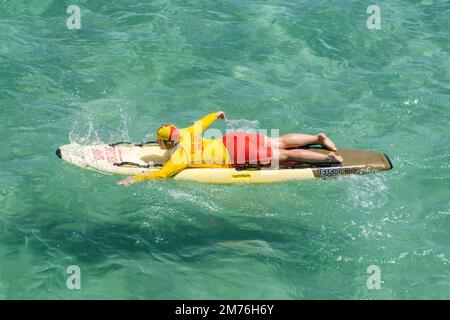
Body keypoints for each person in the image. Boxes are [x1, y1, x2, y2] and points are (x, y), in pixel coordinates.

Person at [118, 111, 343, 185]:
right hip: (232, 139)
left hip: (235, 154)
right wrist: (217, 114)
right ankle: (317, 137)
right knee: (280, 142)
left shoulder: (180, 158)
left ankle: (328, 159)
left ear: (166, 144)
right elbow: (203, 122)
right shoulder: (187, 132)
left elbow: (161, 174)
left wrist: (135, 179)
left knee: (282, 156)